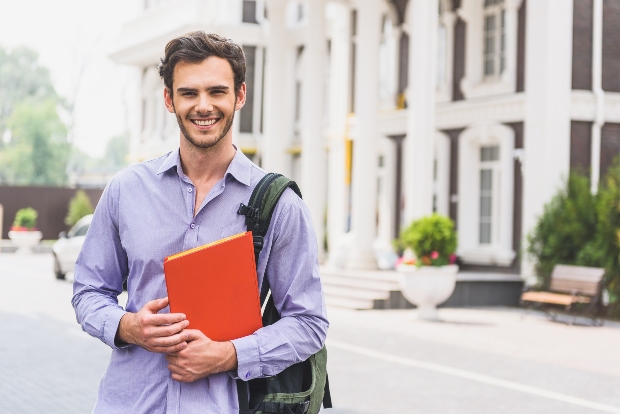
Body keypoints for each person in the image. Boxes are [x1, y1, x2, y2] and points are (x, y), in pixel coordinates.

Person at [72, 31, 328, 413]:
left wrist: (229, 355)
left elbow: (309, 323)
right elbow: (88, 291)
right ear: (168, 99)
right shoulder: (127, 190)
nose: (203, 106)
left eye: (217, 91)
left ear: (240, 95)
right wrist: (128, 328)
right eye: (189, 93)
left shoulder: (280, 205)